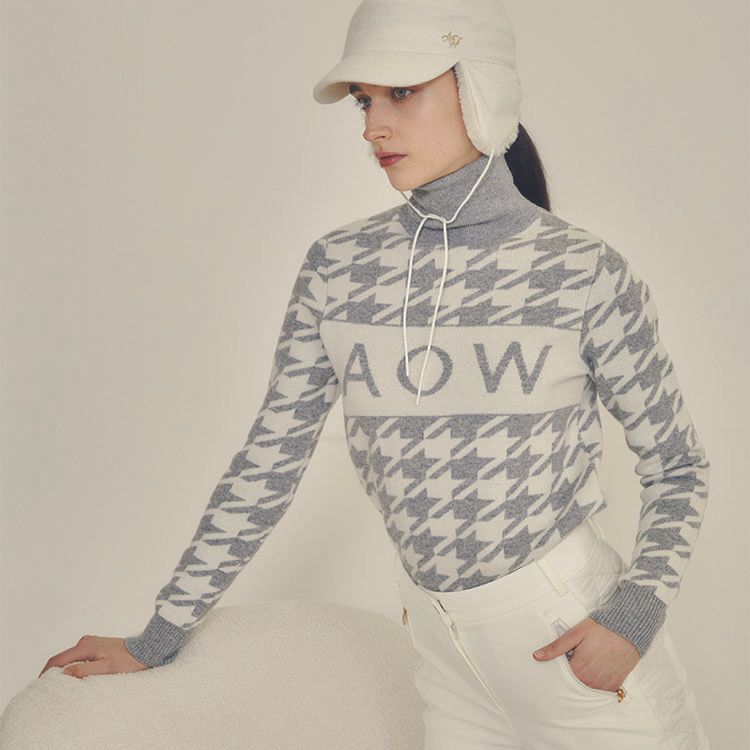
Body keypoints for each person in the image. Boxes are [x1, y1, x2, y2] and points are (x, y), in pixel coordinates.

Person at [40, 0, 711, 746]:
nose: (372, 128)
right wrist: (158, 636)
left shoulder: (583, 272)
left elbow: (678, 464)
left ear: (481, 90)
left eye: (402, 92)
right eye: (364, 101)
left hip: (573, 641)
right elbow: (269, 462)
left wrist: (633, 618)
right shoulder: (339, 268)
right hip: (445, 660)